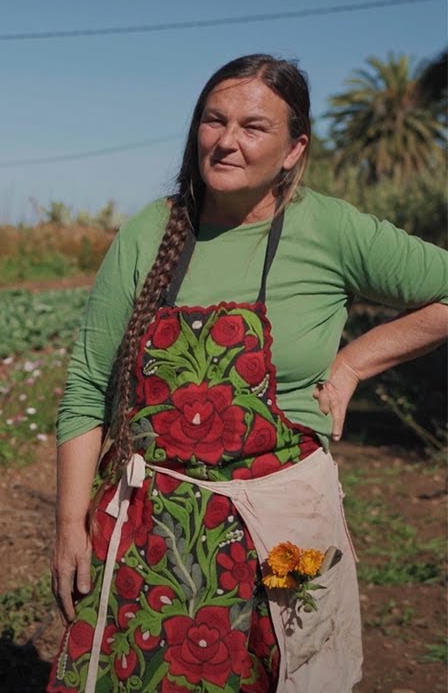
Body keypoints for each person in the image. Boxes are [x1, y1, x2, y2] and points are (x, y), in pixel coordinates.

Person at [47, 53, 448, 693]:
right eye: (214, 119)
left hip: (282, 529)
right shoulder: (152, 231)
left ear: (294, 149)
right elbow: (87, 386)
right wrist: (71, 524)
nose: (227, 140)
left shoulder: (330, 228)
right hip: (154, 535)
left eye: (254, 127)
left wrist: (354, 362)